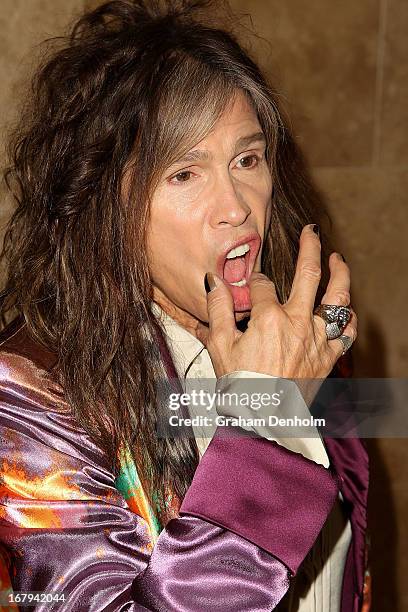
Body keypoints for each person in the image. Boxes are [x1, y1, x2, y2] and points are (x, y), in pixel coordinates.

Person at [0, 1, 370, 610]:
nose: (237, 206)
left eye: (247, 160)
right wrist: (267, 422)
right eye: (183, 173)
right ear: (105, 207)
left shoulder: (300, 335)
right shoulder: (28, 393)